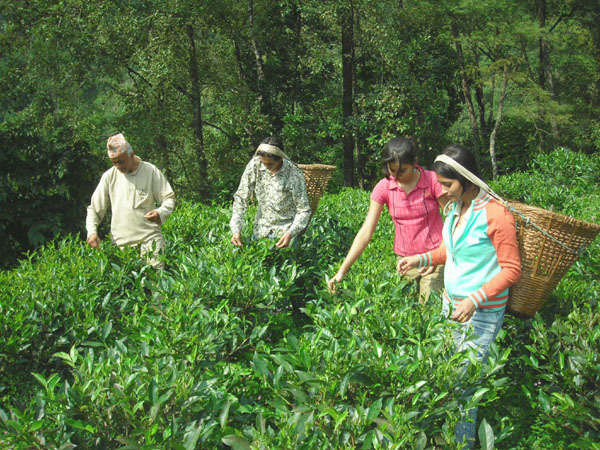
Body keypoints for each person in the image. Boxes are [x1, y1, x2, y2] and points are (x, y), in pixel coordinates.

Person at [397, 145, 521, 448]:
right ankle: (445, 437)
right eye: (440, 183)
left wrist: (474, 299)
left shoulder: (496, 213)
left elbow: (511, 270)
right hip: (450, 307)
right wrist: (420, 260)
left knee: (465, 386)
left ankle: (462, 444)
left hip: (480, 312)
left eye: (448, 184)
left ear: (466, 179)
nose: (442, 190)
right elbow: (449, 251)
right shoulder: (454, 208)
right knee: (445, 377)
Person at [328, 137, 446, 303]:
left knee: (430, 310)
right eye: (392, 170)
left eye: (402, 170)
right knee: (408, 318)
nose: (396, 176)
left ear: (415, 163)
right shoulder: (384, 187)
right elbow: (365, 232)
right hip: (405, 261)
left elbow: (453, 219)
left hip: (435, 258)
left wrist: (437, 256)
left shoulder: (432, 180)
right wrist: (342, 271)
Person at [85, 133, 175, 269]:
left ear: (132, 154)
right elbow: (94, 209)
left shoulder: (150, 171)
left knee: (156, 286)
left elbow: (169, 198)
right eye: (114, 162)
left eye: (121, 161)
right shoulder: (109, 177)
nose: (118, 166)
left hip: (150, 241)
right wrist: (92, 232)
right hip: (121, 246)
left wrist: (160, 213)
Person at [230, 136, 311, 249]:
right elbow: (241, 198)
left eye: (270, 164)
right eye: (264, 163)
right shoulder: (255, 164)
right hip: (261, 230)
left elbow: (304, 210)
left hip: (285, 232)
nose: (266, 166)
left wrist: (290, 233)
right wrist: (236, 230)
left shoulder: (294, 174)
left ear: (280, 159)